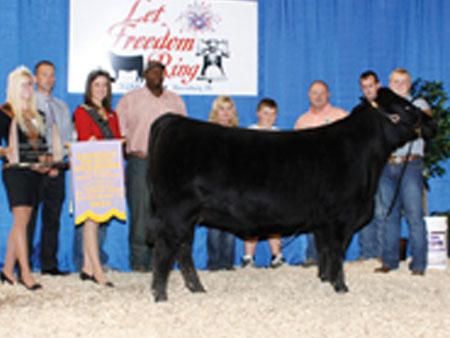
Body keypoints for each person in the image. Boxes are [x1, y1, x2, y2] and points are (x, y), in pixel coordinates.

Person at [116, 60, 187, 272]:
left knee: (166, 214)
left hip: (168, 165)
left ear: (164, 75)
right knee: (140, 213)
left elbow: (184, 135)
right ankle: (139, 262)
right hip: (141, 159)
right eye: (151, 71)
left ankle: (161, 261)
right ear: (144, 75)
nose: (156, 74)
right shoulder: (130, 100)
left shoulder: (175, 101)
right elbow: (119, 135)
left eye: (160, 71)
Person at [374, 68, 432, 276]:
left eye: (403, 81)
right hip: (387, 164)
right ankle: (389, 261)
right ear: (389, 85)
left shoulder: (419, 105)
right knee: (388, 215)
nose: (399, 85)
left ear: (409, 85)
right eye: (395, 82)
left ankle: (418, 264)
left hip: (411, 164)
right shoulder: (382, 109)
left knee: (414, 215)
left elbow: (424, 130)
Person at [0, 65, 53, 291]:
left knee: (21, 222)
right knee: (22, 222)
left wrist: (46, 161)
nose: (28, 88)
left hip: (34, 173)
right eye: (23, 84)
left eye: (30, 84)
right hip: (15, 172)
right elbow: (7, 148)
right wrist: (6, 152)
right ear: (14, 87)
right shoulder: (5, 112)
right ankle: (26, 273)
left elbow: (42, 147)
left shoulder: (38, 115)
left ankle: (7, 270)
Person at [73, 69, 121, 287]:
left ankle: (87, 266)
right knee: (92, 219)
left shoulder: (112, 115)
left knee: (96, 219)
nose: (101, 89)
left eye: (104, 85)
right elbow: (84, 140)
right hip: (91, 171)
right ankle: (98, 272)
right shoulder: (82, 112)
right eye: (97, 85)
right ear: (89, 88)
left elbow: (118, 142)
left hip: (108, 171)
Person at [26, 60, 73, 275]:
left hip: (58, 169)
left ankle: (49, 264)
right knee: (28, 218)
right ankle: (23, 264)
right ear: (35, 79)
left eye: (52, 75)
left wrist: (61, 161)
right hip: (32, 170)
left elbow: (70, 138)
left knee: (52, 218)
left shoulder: (62, 107)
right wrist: (42, 163)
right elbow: (24, 139)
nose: (49, 79)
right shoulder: (26, 105)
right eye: (44, 74)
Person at [294, 80, 348, 267]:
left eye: (322, 92)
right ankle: (314, 255)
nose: (318, 96)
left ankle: (335, 257)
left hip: (336, 178)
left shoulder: (341, 117)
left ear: (328, 95)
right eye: (314, 93)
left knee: (336, 217)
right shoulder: (302, 121)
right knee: (312, 214)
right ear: (309, 96)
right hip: (310, 177)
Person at [241, 98, 284, 268]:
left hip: (274, 185)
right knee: (252, 219)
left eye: (273, 114)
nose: (269, 117)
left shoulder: (279, 134)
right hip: (253, 184)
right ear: (258, 113)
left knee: (275, 220)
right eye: (265, 113)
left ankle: (277, 256)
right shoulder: (249, 132)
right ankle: (248, 257)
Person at [206, 95, 238, 270]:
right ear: (215, 112)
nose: (225, 113)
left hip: (233, 185)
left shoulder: (238, 133)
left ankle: (228, 264)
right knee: (214, 225)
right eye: (222, 108)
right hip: (213, 184)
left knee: (231, 225)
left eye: (229, 109)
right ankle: (214, 264)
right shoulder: (208, 132)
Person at [357, 71, 383, 260]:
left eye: (371, 85)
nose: (368, 90)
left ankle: (383, 253)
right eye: (364, 87)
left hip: (384, 165)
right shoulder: (359, 112)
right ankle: (367, 254)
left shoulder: (388, 110)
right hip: (364, 168)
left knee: (382, 209)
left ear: (378, 86)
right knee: (363, 207)